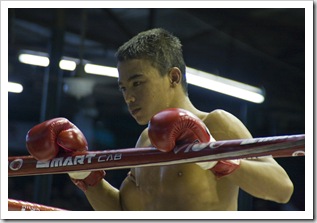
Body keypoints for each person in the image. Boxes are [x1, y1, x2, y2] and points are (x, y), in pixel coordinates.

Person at [26, 28, 294, 211]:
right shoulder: (145, 140)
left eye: (137, 82)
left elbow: (282, 188)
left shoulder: (216, 122)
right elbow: (121, 211)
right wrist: (85, 174)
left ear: (173, 78)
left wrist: (216, 157)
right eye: (123, 88)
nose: (128, 97)